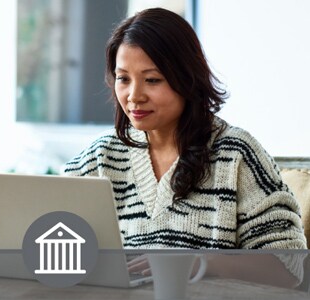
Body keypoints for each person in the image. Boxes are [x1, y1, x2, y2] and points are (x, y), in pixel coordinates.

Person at [61, 8, 307, 287]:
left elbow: (288, 267)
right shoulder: (100, 157)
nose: (134, 96)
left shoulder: (236, 154)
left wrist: (200, 261)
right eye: (123, 78)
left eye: (152, 79)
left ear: (187, 78)